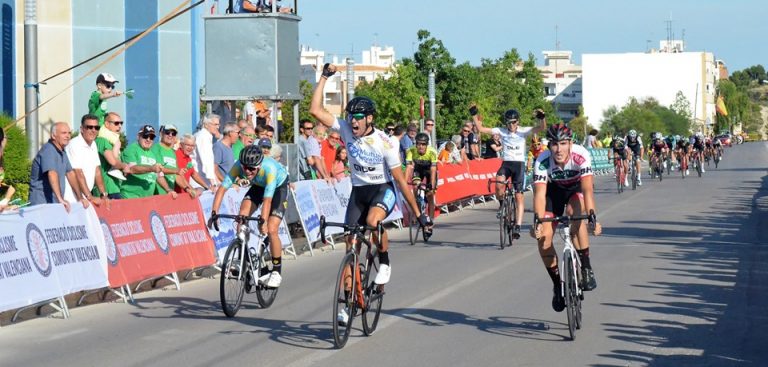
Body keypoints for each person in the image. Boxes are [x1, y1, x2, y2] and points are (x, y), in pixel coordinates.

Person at [310, 63, 430, 325]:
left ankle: (384, 262)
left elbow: (400, 182)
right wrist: (324, 78)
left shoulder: (387, 143)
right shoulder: (343, 129)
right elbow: (315, 110)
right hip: (358, 192)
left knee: (373, 222)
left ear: (370, 119)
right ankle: (349, 302)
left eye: (358, 118)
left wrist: (419, 215)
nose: (353, 122)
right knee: (349, 248)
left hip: (382, 189)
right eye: (350, 117)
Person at [531, 123, 602, 312]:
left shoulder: (581, 155)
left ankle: (586, 267)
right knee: (543, 238)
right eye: (554, 144)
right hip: (553, 192)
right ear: (549, 146)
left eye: (563, 143)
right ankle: (557, 285)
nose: (559, 149)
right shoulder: (542, 160)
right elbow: (539, 194)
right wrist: (537, 220)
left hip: (575, 189)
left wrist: (592, 216)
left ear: (570, 144)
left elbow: (587, 189)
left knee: (575, 214)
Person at [209, 145, 290, 287]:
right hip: (258, 186)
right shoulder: (238, 166)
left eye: (252, 169)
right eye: (245, 167)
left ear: (259, 166)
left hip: (277, 188)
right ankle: (244, 260)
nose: (247, 171)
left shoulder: (269, 169)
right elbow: (222, 189)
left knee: (271, 229)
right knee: (242, 217)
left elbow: (267, 200)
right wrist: (214, 213)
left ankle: (276, 271)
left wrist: (263, 221)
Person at [472, 106, 547, 238]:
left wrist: (542, 118)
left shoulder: (523, 131)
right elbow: (481, 129)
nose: (511, 125)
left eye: (513, 122)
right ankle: (502, 205)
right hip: (506, 164)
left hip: (519, 165)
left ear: (517, 122)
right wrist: (474, 114)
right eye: (509, 122)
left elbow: (541, 128)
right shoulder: (501, 131)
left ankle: (517, 225)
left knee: (519, 196)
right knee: (498, 183)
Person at [29, 122, 88, 210]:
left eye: (69, 133)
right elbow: (52, 173)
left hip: (53, 203)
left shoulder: (62, 151)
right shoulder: (48, 150)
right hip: (41, 204)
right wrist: (60, 199)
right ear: (53, 135)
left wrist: (80, 198)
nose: (68, 136)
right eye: (64, 133)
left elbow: (70, 173)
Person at [64, 114, 109, 207]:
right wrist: (90, 197)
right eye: (89, 127)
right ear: (82, 129)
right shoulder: (74, 144)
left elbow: (97, 171)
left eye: (96, 127)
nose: (93, 130)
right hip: (71, 199)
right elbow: (78, 173)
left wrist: (104, 195)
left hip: (85, 198)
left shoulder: (93, 144)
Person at [120, 125, 176, 199]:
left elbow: (159, 175)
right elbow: (131, 169)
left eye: (151, 137)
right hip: (130, 196)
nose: (148, 139)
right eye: (145, 136)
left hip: (147, 199)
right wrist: (151, 168)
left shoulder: (152, 153)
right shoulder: (131, 149)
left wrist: (168, 190)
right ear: (138, 136)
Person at [405, 132, 438, 238]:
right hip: (418, 170)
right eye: (418, 144)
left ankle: (431, 221)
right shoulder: (411, 150)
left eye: (423, 144)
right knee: (415, 186)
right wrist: (405, 182)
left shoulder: (432, 152)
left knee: (430, 194)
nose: (420, 146)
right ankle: (416, 211)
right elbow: (409, 167)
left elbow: (433, 170)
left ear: (427, 144)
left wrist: (432, 185)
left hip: (429, 171)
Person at [152, 125, 184, 195]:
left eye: (173, 134)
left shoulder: (172, 152)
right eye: (167, 132)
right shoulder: (155, 148)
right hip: (157, 193)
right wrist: (176, 170)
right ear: (161, 134)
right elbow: (157, 169)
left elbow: (176, 175)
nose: (170, 135)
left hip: (169, 193)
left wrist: (187, 188)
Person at [194, 113, 222, 188]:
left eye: (218, 125)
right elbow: (206, 160)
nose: (218, 127)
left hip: (204, 179)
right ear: (206, 125)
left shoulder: (206, 136)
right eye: (215, 124)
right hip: (200, 181)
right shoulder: (203, 137)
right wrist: (213, 182)